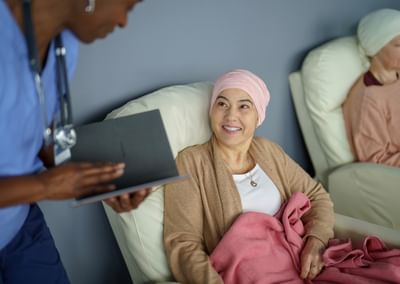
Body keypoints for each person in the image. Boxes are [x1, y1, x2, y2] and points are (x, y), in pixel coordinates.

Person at [0, 0, 151, 283]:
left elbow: (40, 134)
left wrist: (100, 181)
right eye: (127, 7)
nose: (123, 22)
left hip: (20, 224)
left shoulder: (64, 46)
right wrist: (44, 186)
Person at [164, 69, 335, 283]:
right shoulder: (191, 162)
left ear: (258, 116)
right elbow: (182, 243)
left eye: (244, 106)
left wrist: (316, 241)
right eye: (222, 104)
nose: (230, 116)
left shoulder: (268, 151)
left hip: (300, 263)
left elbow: (316, 195)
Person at [342, 8, 400, 167]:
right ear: (376, 48)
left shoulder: (397, 74)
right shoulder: (367, 100)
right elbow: (376, 161)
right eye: (399, 45)